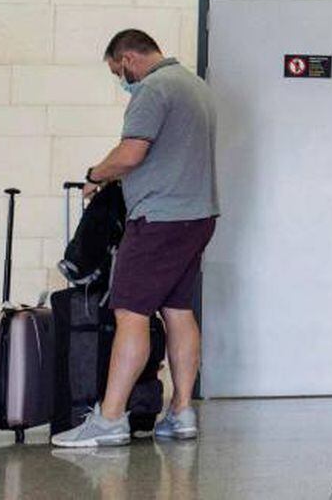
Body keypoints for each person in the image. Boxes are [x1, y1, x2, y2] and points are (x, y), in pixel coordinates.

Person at [53, 30, 218, 448]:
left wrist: (95, 175)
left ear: (127, 58)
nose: (120, 78)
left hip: (159, 220)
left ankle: (109, 420)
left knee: (130, 311)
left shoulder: (153, 88)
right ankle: (181, 413)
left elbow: (131, 153)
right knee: (177, 309)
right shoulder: (196, 86)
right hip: (196, 215)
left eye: (116, 70)